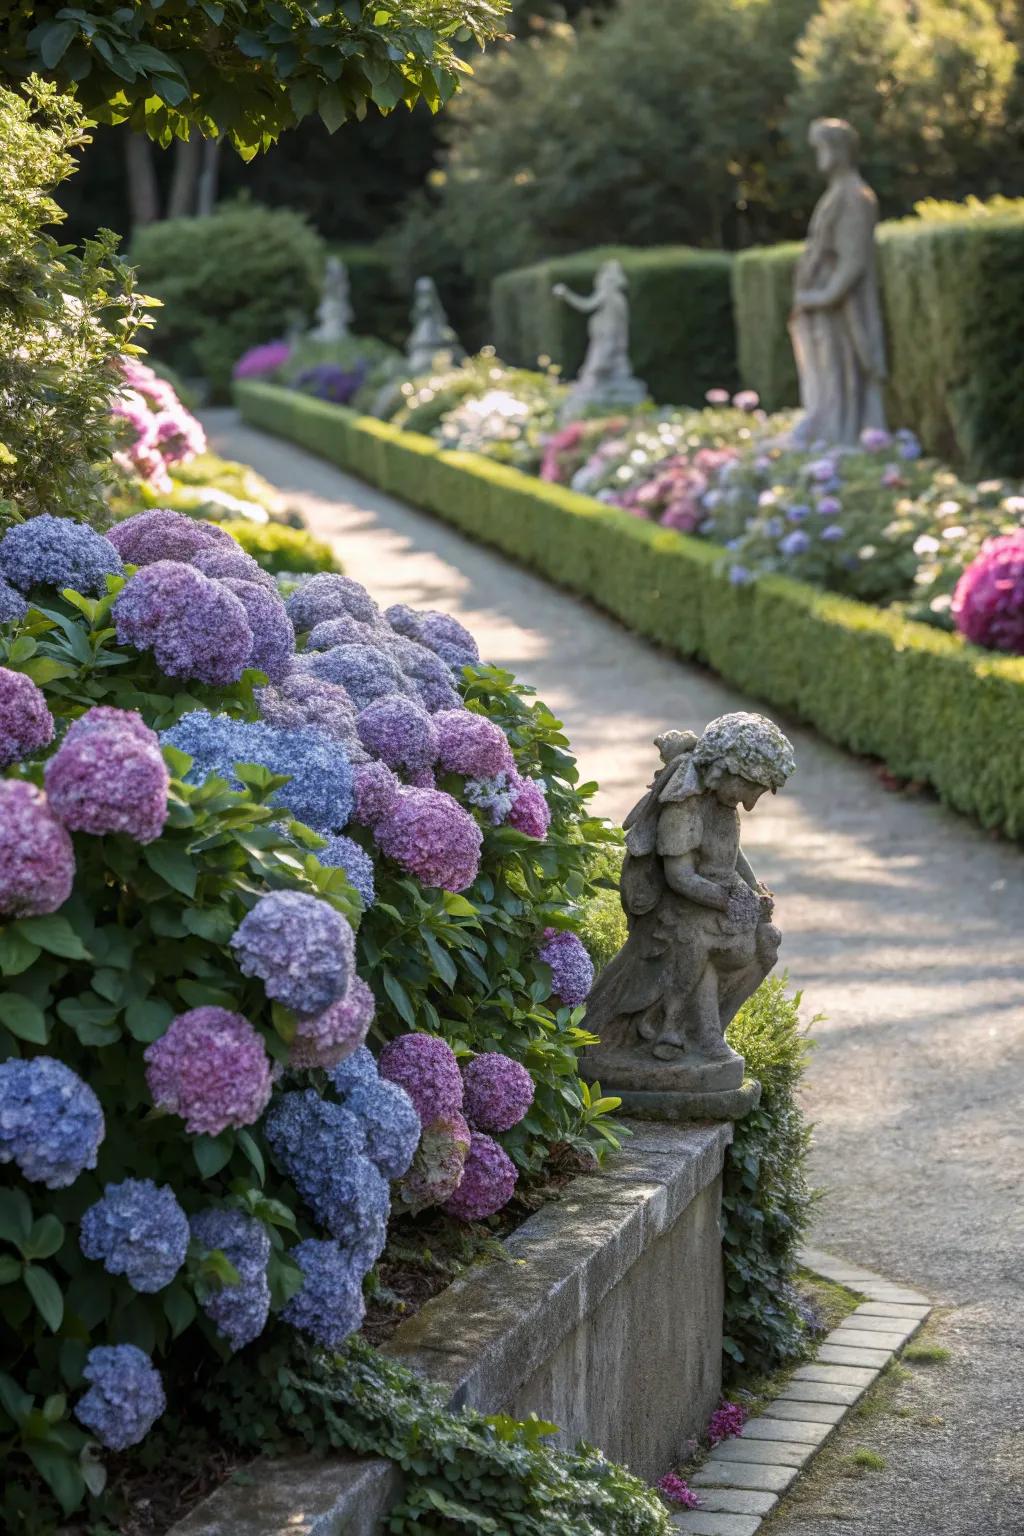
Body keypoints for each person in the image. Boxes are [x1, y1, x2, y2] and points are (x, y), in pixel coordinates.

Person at [585, 714, 795, 1070]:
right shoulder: (684, 805)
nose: (752, 803)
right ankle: (677, 1032)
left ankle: (707, 1033)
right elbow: (680, 877)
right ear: (730, 771)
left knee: (767, 943)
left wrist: (752, 890)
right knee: (702, 942)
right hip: (679, 907)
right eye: (753, 789)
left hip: (714, 898)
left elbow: (732, 854)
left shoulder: (722, 804)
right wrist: (728, 901)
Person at [787, 117, 887, 449]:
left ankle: (844, 442)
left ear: (838, 150)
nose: (818, 156)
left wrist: (823, 296)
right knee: (825, 386)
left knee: (841, 382)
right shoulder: (838, 194)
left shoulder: (855, 197)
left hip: (841, 312)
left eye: (822, 148)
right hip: (824, 310)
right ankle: (829, 441)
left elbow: (853, 261)